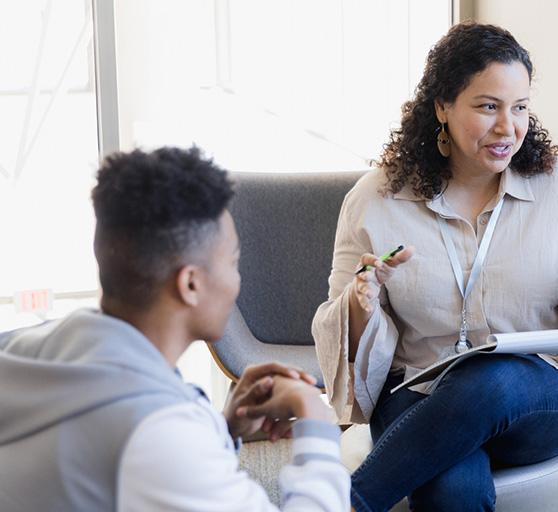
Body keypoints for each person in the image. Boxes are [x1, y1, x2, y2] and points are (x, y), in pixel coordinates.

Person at [312, 22, 558, 511]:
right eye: (488, 107)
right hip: (418, 392)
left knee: (488, 378)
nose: (509, 127)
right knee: (450, 486)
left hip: (536, 398)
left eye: (521, 107)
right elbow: (344, 337)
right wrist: (361, 302)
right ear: (442, 106)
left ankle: (346, 503)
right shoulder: (376, 200)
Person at [0, 147, 351, 511]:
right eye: (233, 261)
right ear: (191, 284)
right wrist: (316, 421)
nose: (237, 280)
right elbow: (156, 447)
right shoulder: (159, 433)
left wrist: (220, 428)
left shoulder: (26, 347)